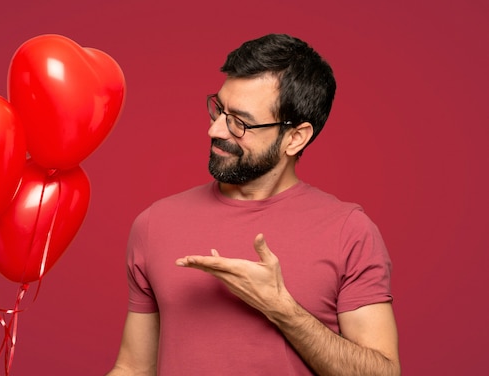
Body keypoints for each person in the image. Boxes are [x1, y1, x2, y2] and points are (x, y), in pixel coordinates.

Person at [107, 34, 400, 375]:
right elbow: (133, 368)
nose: (216, 130)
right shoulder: (154, 223)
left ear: (295, 138)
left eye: (240, 122)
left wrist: (281, 308)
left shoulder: (349, 230)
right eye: (219, 109)